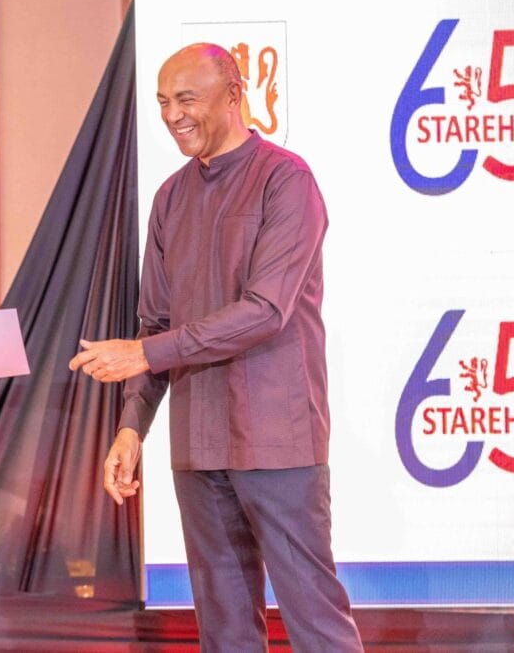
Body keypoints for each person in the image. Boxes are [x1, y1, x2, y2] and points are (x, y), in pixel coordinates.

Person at [69, 44, 363, 652]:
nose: (172, 115)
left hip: (277, 441)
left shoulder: (287, 179)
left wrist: (146, 355)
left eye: (186, 99)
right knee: (225, 630)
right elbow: (154, 322)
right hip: (199, 446)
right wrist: (131, 428)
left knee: (315, 619)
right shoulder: (170, 197)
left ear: (234, 95)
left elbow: (265, 311)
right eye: (162, 103)